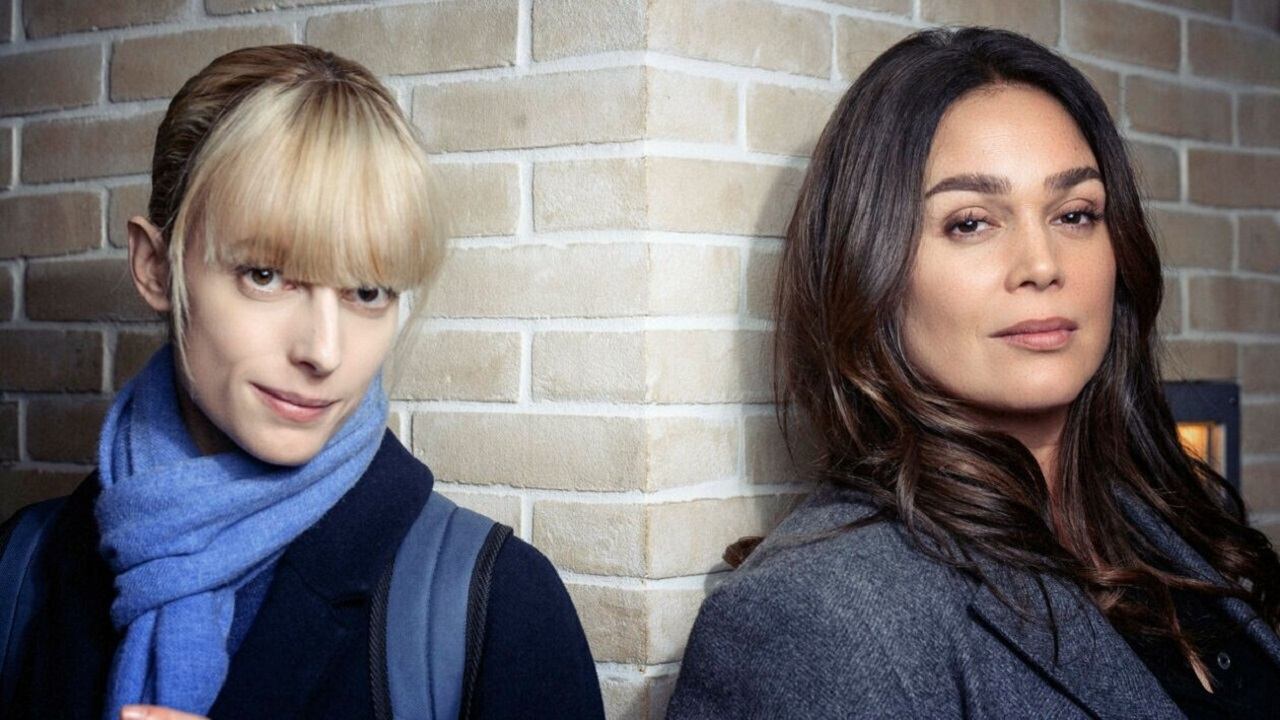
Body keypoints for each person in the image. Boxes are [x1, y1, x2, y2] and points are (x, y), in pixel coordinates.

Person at [667, 27, 1280, 719]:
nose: (1042, 265)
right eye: (970, 223)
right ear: (869, 267)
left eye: (1075, 213)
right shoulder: (812, 622)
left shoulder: (1165, 519)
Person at [0, 45, 604, 720]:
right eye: (265, 276)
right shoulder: (23, 567)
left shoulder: (498, 605)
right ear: (154, 268)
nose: (324, 351)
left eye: (367, 291)